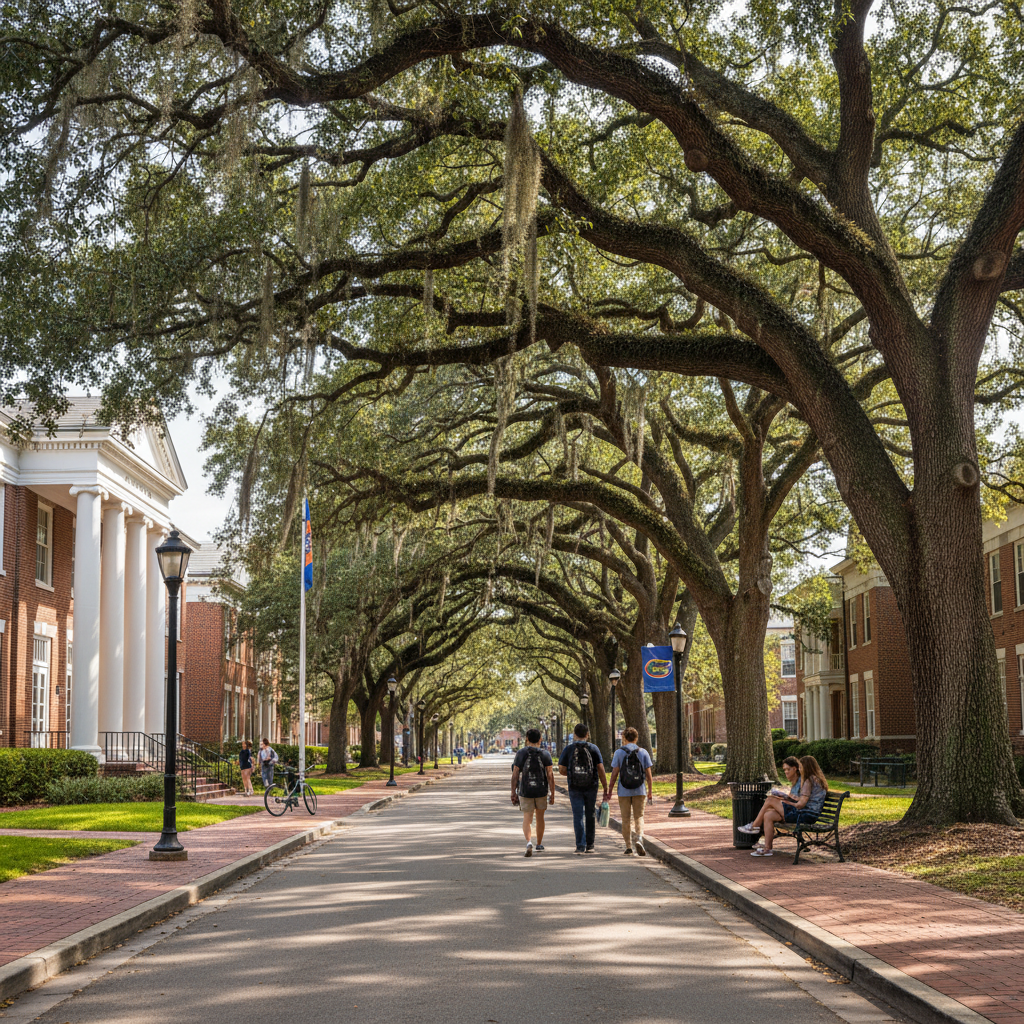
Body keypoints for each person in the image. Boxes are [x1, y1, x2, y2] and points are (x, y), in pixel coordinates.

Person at [739, 754, 829, 857]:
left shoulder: (809, 781)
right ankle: (767, 849)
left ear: (806, 767)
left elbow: (800, 805)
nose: (800, 770)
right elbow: (804, 800)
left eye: (800, 767)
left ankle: (754, 826)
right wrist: (787, 799)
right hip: (807, 814)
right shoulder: (816, 780)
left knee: (770, 799)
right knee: (768, 815)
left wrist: (786, 802)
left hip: (804, 815)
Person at [558, 723, 609, 854]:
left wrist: (572, 774)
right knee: (590, 814)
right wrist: (605, 786)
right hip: (591, 786)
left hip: (574, 787)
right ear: (587, 735)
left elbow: (561, 769)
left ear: (574, 734)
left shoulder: (568, 749)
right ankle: (590, 845)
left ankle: (580, 845)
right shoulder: (593, 749)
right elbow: (600, 768)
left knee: (578, 815)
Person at [607, 727, 654, 855]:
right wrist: (650, 791)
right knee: (639, 816)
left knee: (625, 818)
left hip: (624, 790)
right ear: (636, 738)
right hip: (640, 789)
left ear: (624, 738)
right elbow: (649, 775)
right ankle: (638, 838)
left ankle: (628, 847)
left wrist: (610, 790)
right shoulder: (643, 752)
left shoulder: (619, 753)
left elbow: (614, 774)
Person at [511, 728, 555, 857]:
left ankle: (529, 842)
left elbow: (515, 774)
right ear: (540, 739)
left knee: (527, 817)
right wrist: (552, 793)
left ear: (527, 739)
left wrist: (513, 791)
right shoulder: (545, 754)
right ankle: (539, 844)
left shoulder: (521, 753)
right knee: (540, 817)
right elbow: (550, 775)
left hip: (525, 790)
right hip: (541, 790)